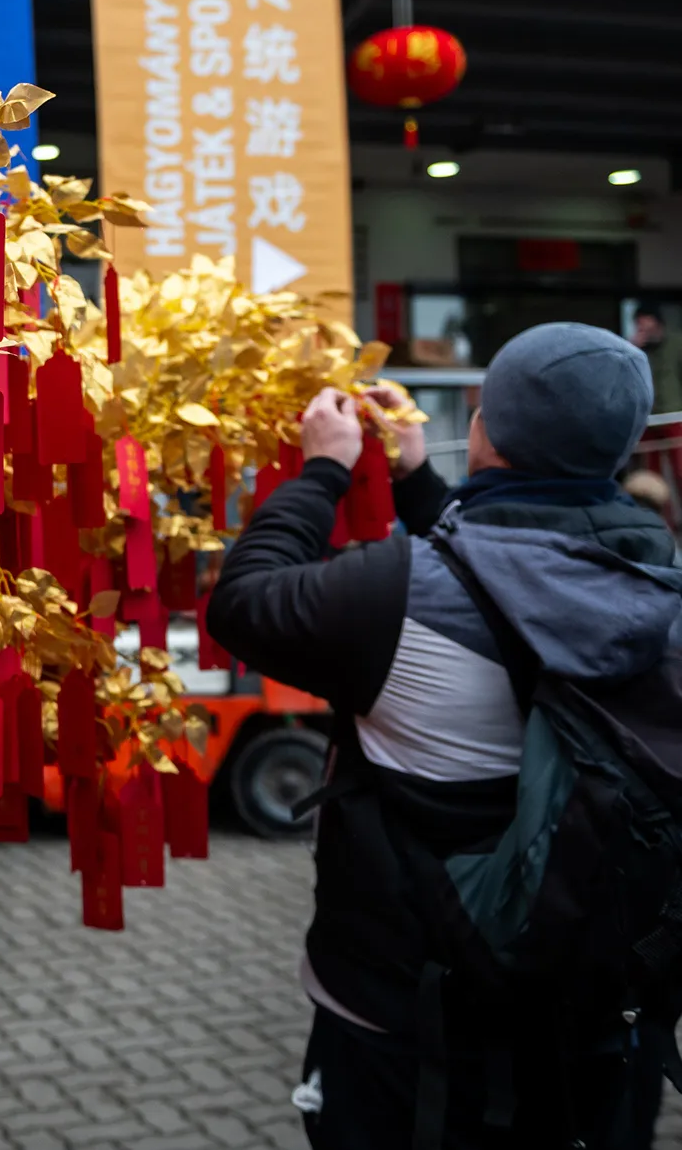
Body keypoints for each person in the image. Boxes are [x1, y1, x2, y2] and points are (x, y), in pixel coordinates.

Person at [206, 323, 676, 1149]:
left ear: (486, 429)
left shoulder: (395, 594)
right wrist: (423, 478)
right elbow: (512, 573)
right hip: (602, 1016)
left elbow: (244, 600)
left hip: (408, 1025)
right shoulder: (659, 581)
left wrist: (322, 467)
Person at [632, 300, 682, 415]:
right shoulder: (638, 351)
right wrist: (632, 350)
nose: (642, 331)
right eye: (639, 327)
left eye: (645, 326)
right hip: (650, 416)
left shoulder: (677, 344)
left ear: (658, 323)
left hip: (675, 413)